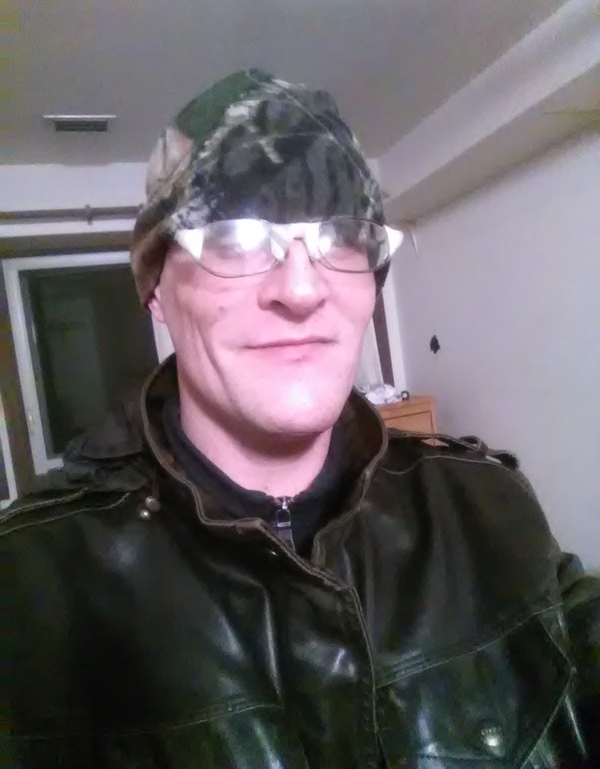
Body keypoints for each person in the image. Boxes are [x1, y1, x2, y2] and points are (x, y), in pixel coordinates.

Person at [2, 69, 598, 768]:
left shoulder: (487, 509)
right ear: (156, 288)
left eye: (340, 236)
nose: (302, 288)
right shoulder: (30, 585)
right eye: (233, 237)